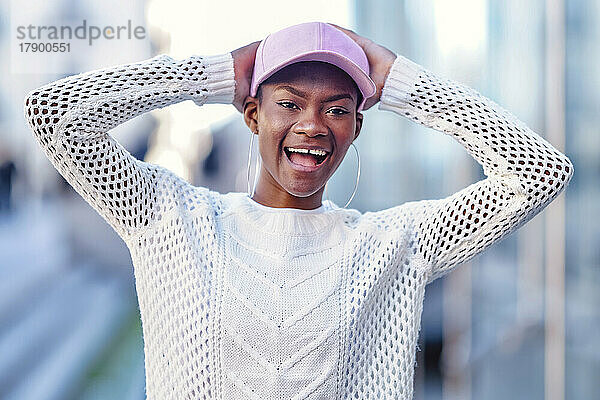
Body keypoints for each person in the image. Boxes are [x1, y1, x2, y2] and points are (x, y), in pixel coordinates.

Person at [23, 21, 573, 400]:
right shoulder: (171, 220)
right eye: (289, 103)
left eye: (336, 109)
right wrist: (214, 74)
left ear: (356, 127)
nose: (312, 124)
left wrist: (401, 79)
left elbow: (539, 172)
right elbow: (54, 114)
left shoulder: (395, 244)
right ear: (253, 114)